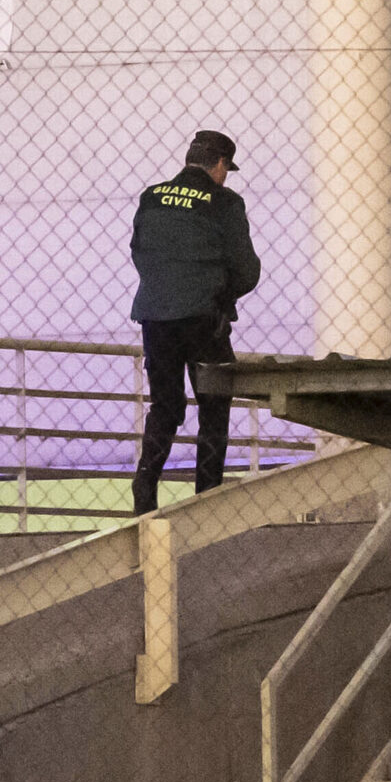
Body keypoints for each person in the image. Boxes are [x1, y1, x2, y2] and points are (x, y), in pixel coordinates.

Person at [130, 129, 260, 514]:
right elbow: (247, 270)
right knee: (214, 404)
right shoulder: (224, 202)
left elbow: (139, 251)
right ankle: (206, 498)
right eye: (226, 169)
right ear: (220, 164)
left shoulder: (152, 197)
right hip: (205, 319)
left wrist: (165, 286)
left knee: (166, 406)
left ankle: (145, 482)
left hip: (156, 317)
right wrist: (220, 294)